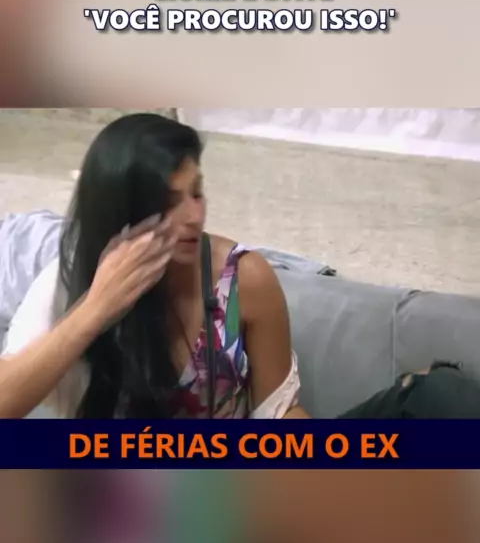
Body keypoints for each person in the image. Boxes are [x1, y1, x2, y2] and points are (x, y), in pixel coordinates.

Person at [0, 113, 306, 418]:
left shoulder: (243, 279)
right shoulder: (66, 281)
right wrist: (96, 308)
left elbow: (279, 411)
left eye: (196, 193)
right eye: (169, 202)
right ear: (123, 212)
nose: (194, 217)